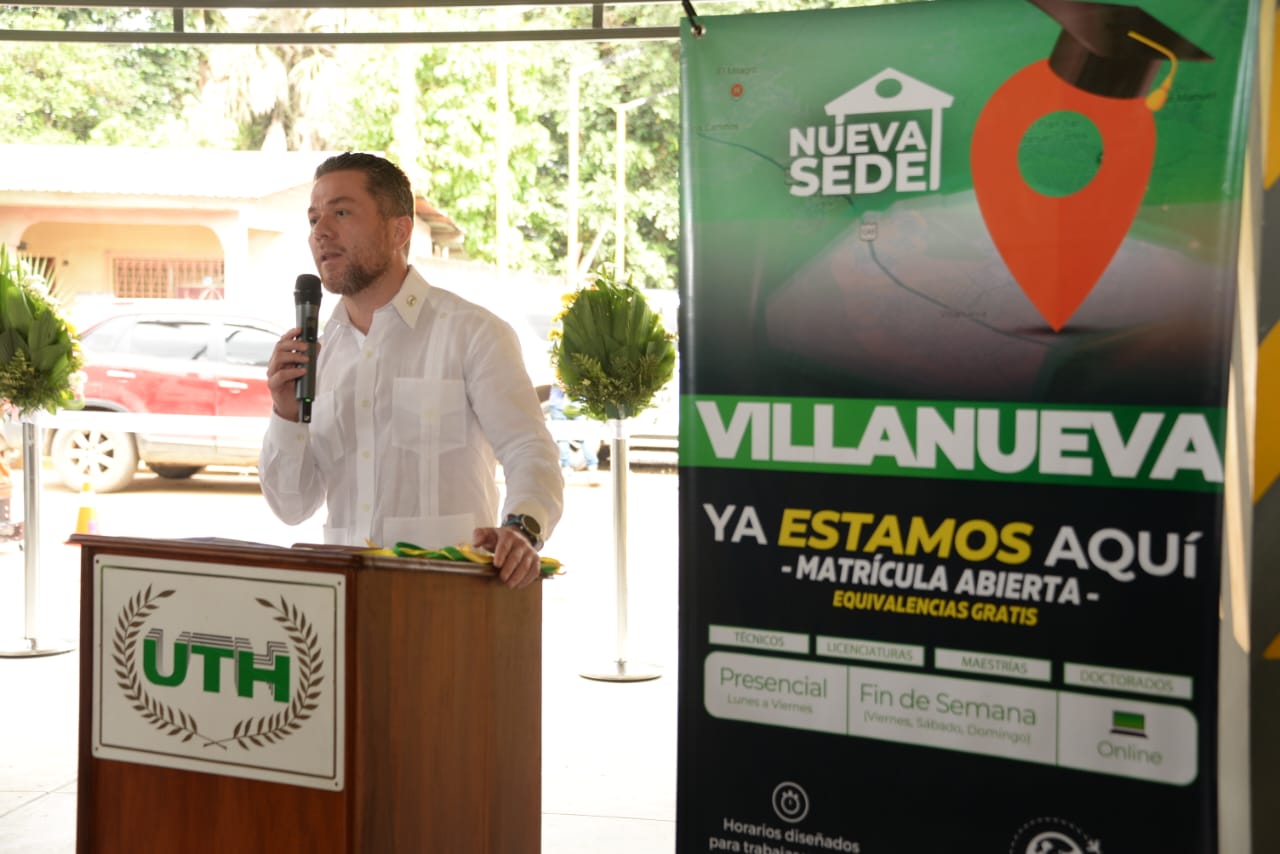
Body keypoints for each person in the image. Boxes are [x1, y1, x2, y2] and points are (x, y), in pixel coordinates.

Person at [260, 152, 563, 589]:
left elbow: (529, 450)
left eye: (341, 213)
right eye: (313, 219)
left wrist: (521, 529)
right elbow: (291, 506)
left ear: (399, 231)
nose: (321, 231)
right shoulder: (319, 355)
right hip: (345, 599)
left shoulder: (473, 333)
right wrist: (286, 415)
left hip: (448, 600)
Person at [546, 383, 599, 474]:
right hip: (576, 403)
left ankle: (566, 466)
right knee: (583, 435)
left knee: (563, 437)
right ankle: (592, 465)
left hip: (559, 403)